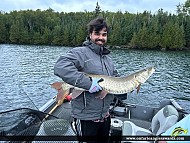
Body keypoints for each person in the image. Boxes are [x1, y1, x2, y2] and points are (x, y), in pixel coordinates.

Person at [54, 17, 119, 143]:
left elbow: (115, 78)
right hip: (86, 119)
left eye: (104, 34)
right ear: (90, 35)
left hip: (105, 116)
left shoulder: (108, 60)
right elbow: (60, 66)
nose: (101, 37)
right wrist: (89, 84)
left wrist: (127, 87)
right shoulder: (80, 53)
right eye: (97, 34)